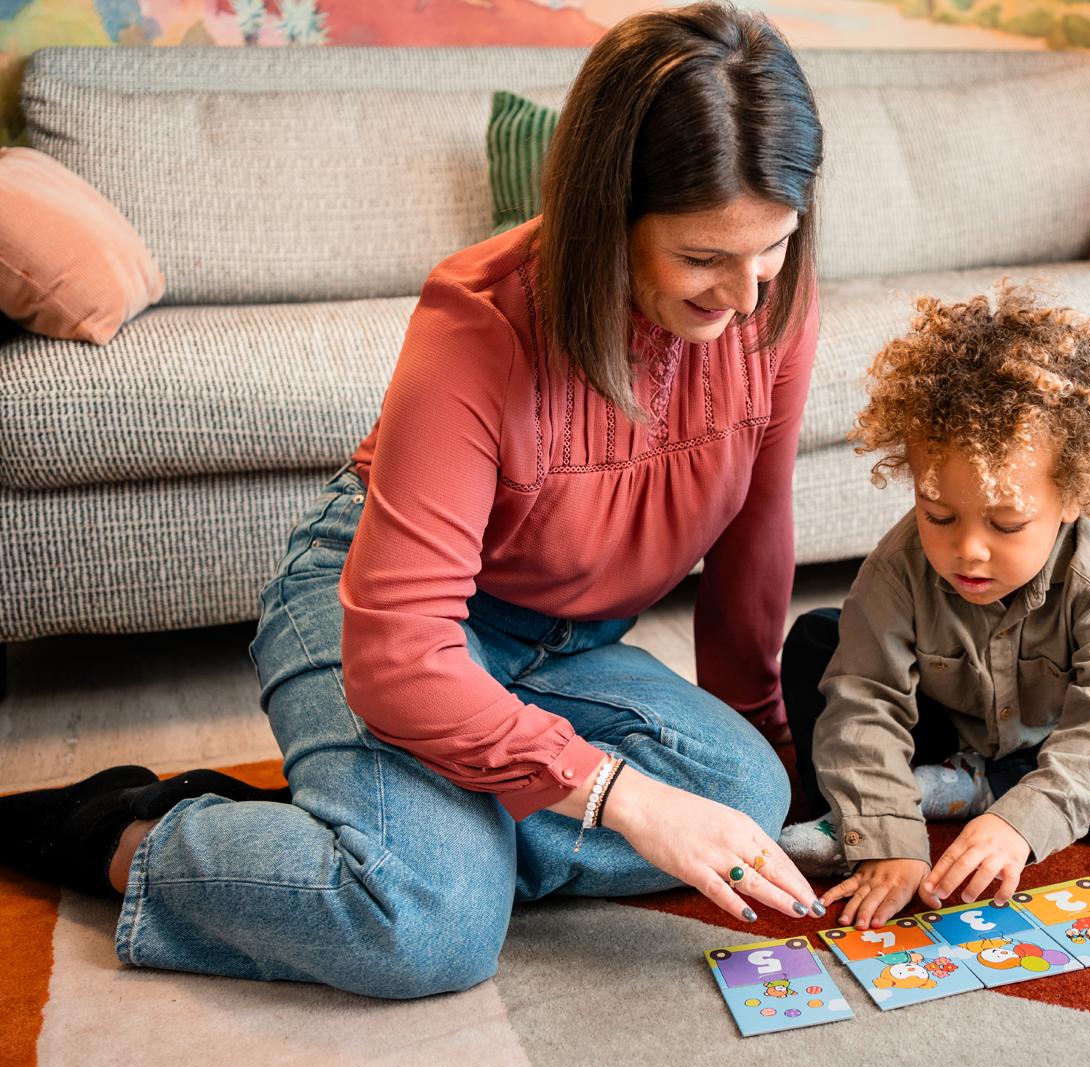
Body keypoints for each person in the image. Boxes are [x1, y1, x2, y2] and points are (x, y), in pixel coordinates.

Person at [0, 2, 827, 998]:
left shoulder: (773, 304)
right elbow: (400, 651)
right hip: (384, 617)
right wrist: (622, 798)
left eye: (773, 246)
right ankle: (131, 829)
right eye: (702, 259)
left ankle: (403, 837)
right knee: (428, 930)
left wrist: (761, 732)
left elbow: (755, 529)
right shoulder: (477, 322)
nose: (746, 296)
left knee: (746, 795)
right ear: (607, 215)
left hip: (562, 651)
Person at [777, 282, 1090, 929]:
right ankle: (891, 801)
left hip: (1059, 733)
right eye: (939, 515)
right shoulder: (898, 565)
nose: (968, 550)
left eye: (1006, 524)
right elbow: (867, 700)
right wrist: (887, 839)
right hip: (944, 719)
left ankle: (970, 790)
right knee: (816, 644)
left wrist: (1023, 821)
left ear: (1072, 498)